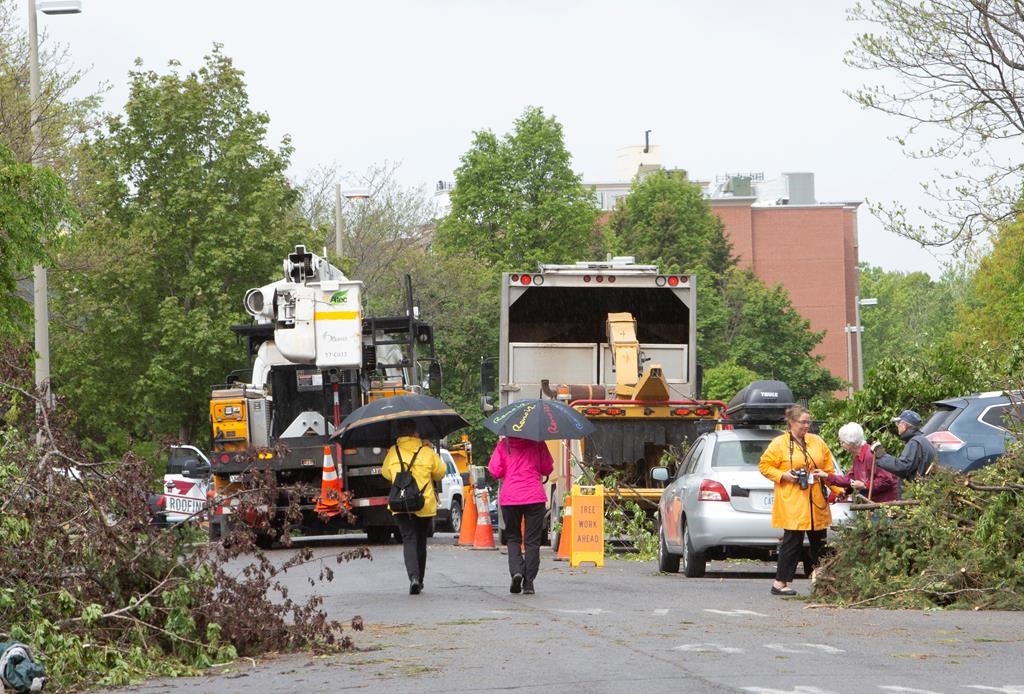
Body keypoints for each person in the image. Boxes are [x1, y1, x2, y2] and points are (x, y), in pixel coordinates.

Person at [759, 405, 843, 596]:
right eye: (803, 422)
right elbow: (764, 466)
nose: (807, 426)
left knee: (820, 543)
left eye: (808, 422)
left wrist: (838, 490)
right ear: (791, 423)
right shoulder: (779, 443)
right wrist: (783, 475)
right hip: (793, 501)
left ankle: (824, 581)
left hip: (816, 501)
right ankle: (780, 583)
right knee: (792, 542)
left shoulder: (817, 441)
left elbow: (828, 471)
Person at [381, 419, 446, 595]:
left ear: (399, 433)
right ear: (415, 432)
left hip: (400, 504)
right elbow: (440, 472)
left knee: (408, 539)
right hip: (423, 503)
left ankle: (413, 578)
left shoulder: (394, 451)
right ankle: (421, 579)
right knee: (421, 541)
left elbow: (385, 473)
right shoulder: (426, 450)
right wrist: (431, 449)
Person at [487, 436, 553, 595]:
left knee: (513, 538)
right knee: (532, 541)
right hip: (534, 497)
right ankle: (529, 583)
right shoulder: (538, 442)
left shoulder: (504, 444)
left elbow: (495, 471)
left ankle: (517, 571)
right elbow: (547, 468)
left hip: (510, 498)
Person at [826, 422, 899, 503]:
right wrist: (827, 477)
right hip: (874, 503)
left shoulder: (871, 455)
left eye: (843, 442)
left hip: (886, 503)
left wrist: (864, 485)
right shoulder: (858, 457)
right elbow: (850, 480)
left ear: (851, 443)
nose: (841, 445)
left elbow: (887, 480)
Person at [870, 410, 938, 483]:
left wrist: (882, 456)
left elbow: (903, 467)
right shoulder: (921, 440)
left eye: (898, 423)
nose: (897, 425)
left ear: (904, 425)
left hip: (918, 490)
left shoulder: (915, 442)